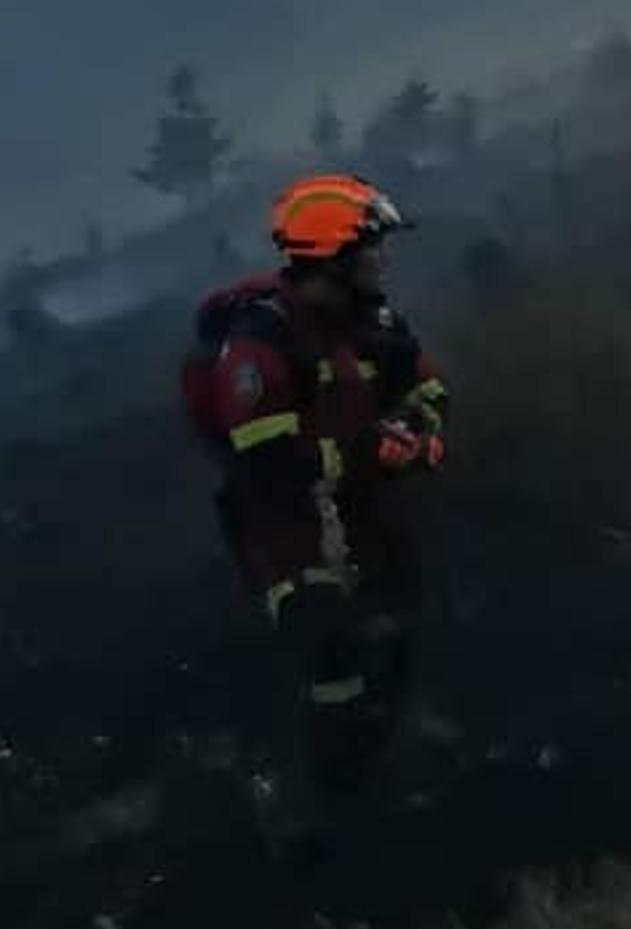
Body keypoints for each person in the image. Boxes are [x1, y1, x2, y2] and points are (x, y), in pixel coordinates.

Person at [183, 175, 448, 808]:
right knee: (333, 651)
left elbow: (428, 391)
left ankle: (388, 773)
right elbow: (270, 463)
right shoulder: (260, 345)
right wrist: (368, 454)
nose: (383, 260)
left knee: (396, 631)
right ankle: (326, 802)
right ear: (333, 259)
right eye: (371, 249)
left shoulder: (375, 325)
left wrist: (418, 431)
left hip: (363, 515)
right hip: (284, 530)